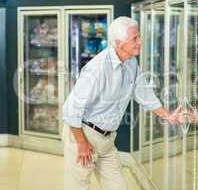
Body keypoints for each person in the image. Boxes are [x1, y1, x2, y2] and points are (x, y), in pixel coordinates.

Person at [62, 16, 185, 190]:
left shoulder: (131, 63)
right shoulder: (97, 69)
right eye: (135, 38)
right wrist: (82, 143)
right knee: (78, 187)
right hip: (82, 135)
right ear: (119, 43)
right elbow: (70, 110)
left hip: (107, 140)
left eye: (139, 37)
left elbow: (143, 93)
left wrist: (168, 115)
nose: (140, 42)